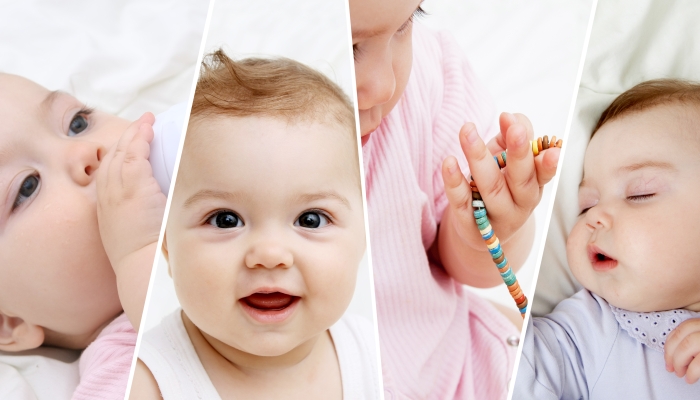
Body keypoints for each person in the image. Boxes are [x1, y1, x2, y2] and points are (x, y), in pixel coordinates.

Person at [131, 50, 379, 399]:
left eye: (310, 219)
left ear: (362, 235)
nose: (270, 254)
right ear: (167, 245)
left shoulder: (373, 354)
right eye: (225, 220)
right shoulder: (150, 382)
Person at [349, 0, 561, 397]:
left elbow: (456, 265)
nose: (384, 85)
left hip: (458, 369)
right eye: (351, 48)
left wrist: (486, 230)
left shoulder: (431, 78)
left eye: (406, 23)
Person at [513, 79, 700, 399]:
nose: (594, 217)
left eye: (640, 193)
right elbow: (515, 371)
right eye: (586, 205)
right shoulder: (587, 328)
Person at [0, 73, 169, 399]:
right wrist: (139, 252)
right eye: (27, 188)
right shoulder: (122, 368)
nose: (85, 151)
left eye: (77, 123)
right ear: (9, 323)